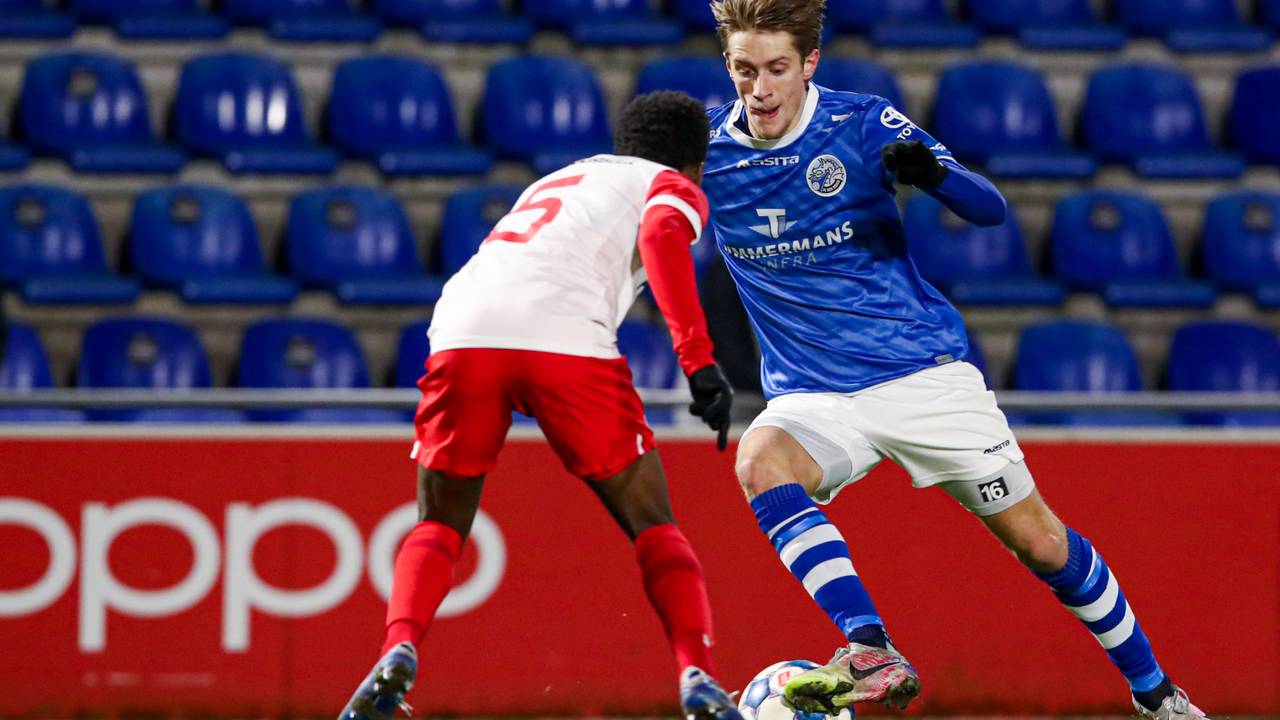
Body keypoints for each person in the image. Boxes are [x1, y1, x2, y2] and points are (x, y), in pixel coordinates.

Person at [700, 2, 1206, 719]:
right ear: (729, 66)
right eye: (745, 70)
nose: (761, 88)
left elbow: (991, 209)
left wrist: (934, 176)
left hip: (921, 376)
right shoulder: (710, 154)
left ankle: (1158, 696)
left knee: (1043, 546)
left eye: (777, 68)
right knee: (760, 461)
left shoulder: (863, 123)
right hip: (814, 395)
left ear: (810, 63)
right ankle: (868, 645)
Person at [338, 91, 739, 720]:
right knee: (654, 523)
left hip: (464, 329)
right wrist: (697, 359)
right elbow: (662, 236)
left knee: (438, 521)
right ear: (697, 163)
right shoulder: (674, 186)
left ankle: (398, 650)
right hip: (565, 339)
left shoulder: (566, 176)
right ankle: (697, 674)